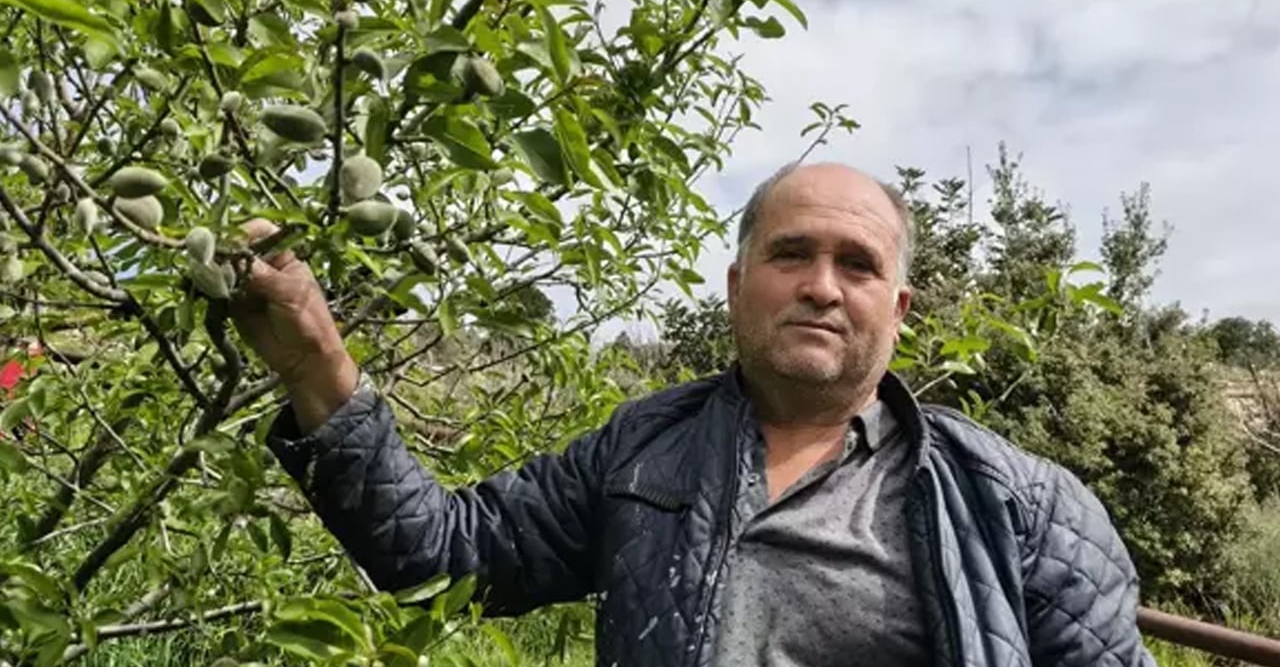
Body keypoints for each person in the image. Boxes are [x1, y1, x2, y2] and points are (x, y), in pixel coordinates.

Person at [231, 162, 1157, 667]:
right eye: (792, 254)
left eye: (858, 265)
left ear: (899, 308)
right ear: (737, 285)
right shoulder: (642, 450)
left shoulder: (1020, 505)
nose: (822, 286)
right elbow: (444, 555)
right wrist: (321, 367)